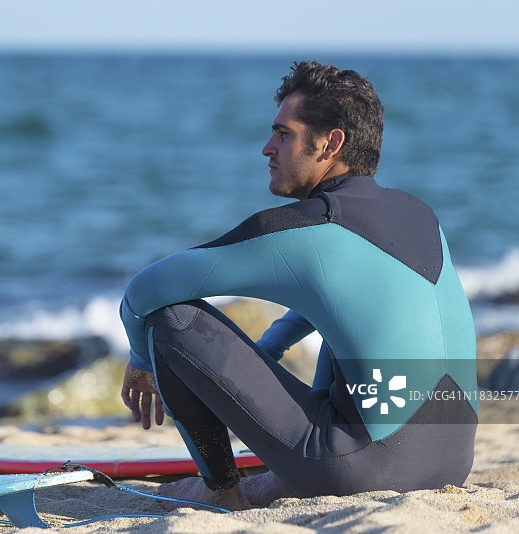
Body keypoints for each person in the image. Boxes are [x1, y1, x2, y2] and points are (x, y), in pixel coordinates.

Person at [119, 60, 478, 511]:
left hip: (363, 469)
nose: (267, 149)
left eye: (283, 134)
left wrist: (141, 360)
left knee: (168, 318)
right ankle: (292, 474)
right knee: (347, 327)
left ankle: (219, 489)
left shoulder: (310, 225)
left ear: (331, 143)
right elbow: (342, 292)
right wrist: (270, 347)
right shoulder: (420, 214)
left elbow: (145, 289)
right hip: (452, 464)